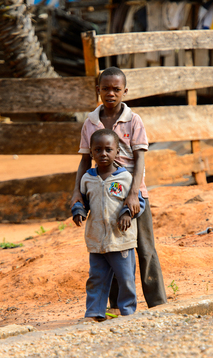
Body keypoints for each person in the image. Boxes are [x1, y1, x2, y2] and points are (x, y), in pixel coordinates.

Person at [70, 66, 167, 311]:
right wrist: (76, 194)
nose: (110, 93)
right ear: (98, 90)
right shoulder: (90, 123)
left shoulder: (133, 120)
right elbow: (84, 161)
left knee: (145, 248)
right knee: (108, 248)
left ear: (125, 91)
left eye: (116, 89)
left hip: (132, 193)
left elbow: (140, 158)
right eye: (106, 89)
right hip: (102, 193)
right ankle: (115, 307)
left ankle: (157, 304)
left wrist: (134, 193)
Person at [72, 129, 145, 321]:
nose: (103, 154)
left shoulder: (125, 178)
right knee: (96, 278)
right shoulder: (87, 178)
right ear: (91, 153)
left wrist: (128, 213)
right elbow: (83, 201)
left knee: (125, 278)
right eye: (98, 150)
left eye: (108, 149)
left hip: (121, 240)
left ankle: (128, 311)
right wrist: (78, 211)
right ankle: (94, 312)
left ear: (117, 151)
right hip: (97, 241)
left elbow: (139, 203)